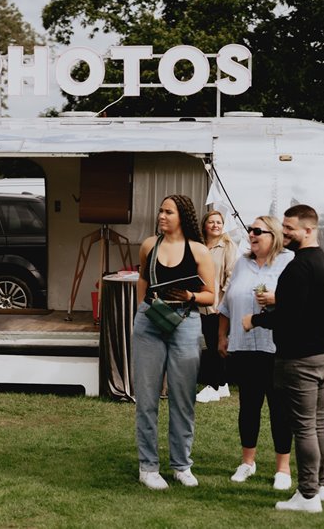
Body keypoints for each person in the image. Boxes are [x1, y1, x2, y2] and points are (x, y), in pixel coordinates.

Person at [242, 204, 324, 513]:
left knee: (305, 428)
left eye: (289, 228)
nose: (284, 232)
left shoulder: (298, 268)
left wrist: (256, 320)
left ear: (309, 230)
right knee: (320, 422)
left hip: (300, 360)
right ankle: (320, 486)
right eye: (282, 227)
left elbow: (287, 318)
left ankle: (308, 495)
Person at [133, 194, 216, 490]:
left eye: (168, 211)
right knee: (146, 398)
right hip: (149, 323)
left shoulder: (198, 251)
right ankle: (148, 467)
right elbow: (143, 279)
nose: (162, 215)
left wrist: (190, 296)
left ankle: (181, 465)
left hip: (185, 322)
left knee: (183, 398)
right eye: (160, 210)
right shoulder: (148, 246)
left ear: (183, 216)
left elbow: (211, 295)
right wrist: (143, 309)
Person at [218, 216, 294, 489]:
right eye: (250, 230)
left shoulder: (289, 261)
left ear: (273, 236)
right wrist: (222, 336)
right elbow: (227, 303)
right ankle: (247, 462)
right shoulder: (242, 263)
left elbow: (302, 301)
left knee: (279, 409)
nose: (251, 234)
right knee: (248, 406)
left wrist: (277, 299)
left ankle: (282, 468)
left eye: (257, 231)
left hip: (276, 348)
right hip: (244, 347)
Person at [196, 210, 237, 403]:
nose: (215, 225)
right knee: (211, 344)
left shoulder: (228, 246)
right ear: (205, 225)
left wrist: (224, 302)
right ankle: (222, 385)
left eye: (219, 222)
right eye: (211, 222)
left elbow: (231, 275)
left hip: (217, 305)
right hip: (200, 303)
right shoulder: (199, 246)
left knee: (215, 346)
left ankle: (212, 386)